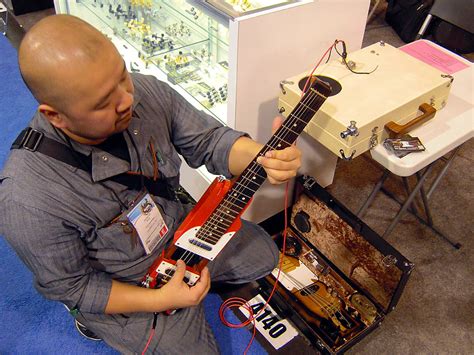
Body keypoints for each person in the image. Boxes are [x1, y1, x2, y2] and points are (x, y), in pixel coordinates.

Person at [0, 15, 302, 354]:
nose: (127, 98)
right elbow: (75, 285)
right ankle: (94, 321)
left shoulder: (144, 90)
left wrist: (259, 156)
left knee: (264, 254)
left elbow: (210, 141)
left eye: (122, 75)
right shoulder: (26, 199)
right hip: (128, 279)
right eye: (102, 102)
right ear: (54, 115)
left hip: (179, 230)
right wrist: (159, 299)